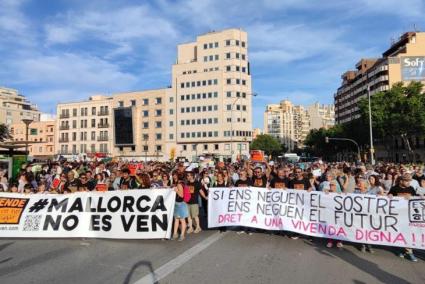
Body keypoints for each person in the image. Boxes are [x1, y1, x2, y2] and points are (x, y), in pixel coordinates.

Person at [388, 173, 418, 262]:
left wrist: (413, 197)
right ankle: (399, 249)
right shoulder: (394, 188)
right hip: (397, 214)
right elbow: (389, 197)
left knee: (408, 233)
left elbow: (415, 199)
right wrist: (389, 196)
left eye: (409, 181)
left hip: (408, 214)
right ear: (401, 181)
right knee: (398, 233)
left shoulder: (411, 188)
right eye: (406, 181)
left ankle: (409, 252)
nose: (408, 183)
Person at [172, 176, 189, 241]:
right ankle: (175, 234)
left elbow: (181, 195)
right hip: (179, 204)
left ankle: (181, 235)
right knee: (177, 219)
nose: (174, 177)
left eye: (175, 176)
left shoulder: (179, 184)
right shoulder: (183, 184)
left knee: (181, 220)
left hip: (180, 204)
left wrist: (176, 190)